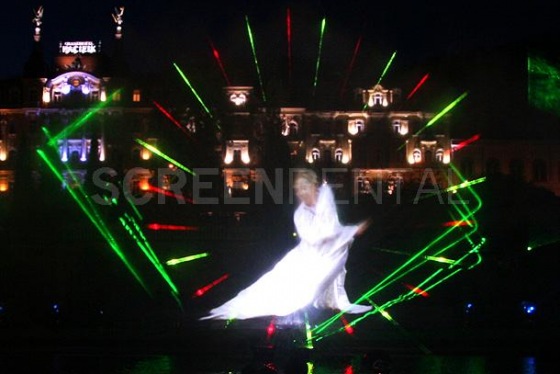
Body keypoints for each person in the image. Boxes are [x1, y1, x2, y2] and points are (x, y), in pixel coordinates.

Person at [200, 169, 372, 320]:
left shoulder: (326, 200)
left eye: (304, 187)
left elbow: (331, 229)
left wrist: (348, 232)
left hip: (326, 255)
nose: (301, 193)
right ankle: (230, 309)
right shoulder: (300, 214)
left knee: (322, 274)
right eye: (298, 190)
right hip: (309, 254)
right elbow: (317, 237)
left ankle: (331, 301)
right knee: (276, 280)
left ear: (314, 186)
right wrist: (352, 231)